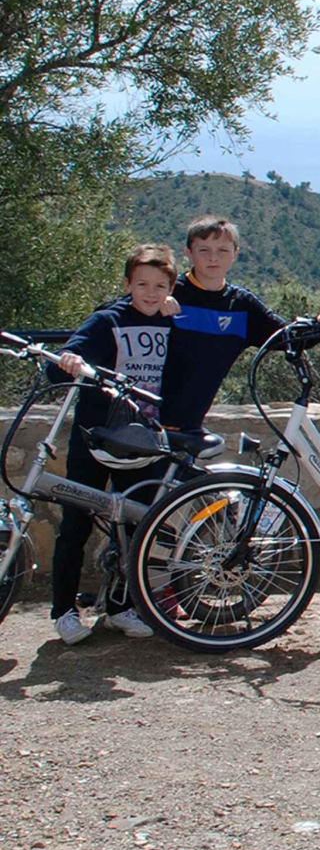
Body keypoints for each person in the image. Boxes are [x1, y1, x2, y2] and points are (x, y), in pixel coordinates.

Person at [46, 244, 179, 644]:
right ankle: (64, 610)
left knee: (134, 527)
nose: (150, 293)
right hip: (94, 437)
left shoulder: (175, 324)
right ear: (127, 284)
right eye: (142, 284)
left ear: (171, 288)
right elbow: (69, 354)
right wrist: (69, 359)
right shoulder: (107, 320)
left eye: (159, 286)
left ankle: (121, 607)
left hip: (142, 442)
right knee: (76, 524)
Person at [157, 216, 320, 432]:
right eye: (204, 250)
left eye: (223, 251)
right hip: (143, 419)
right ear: (188, 252)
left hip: (188, 426)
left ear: (235, 254)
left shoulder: (241, 305)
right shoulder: (167, 291)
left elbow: (286, 337)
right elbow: (118, 315)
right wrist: (152, 306)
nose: (213, 258)